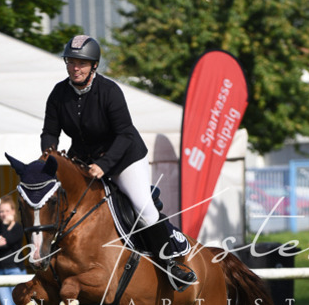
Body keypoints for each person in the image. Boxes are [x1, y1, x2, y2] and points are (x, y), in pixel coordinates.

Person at [40, 33, 197, 288]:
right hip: (84, 161)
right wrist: (49, 156)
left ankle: (170, 265)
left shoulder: (109, 91)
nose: (75, 68)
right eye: (71, 62)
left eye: (81, 63)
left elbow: (125, 134)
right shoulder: (59, 93)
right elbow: (49, 132)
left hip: (124, 158)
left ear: (94, 66)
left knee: (143, 209)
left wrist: (104, 166)